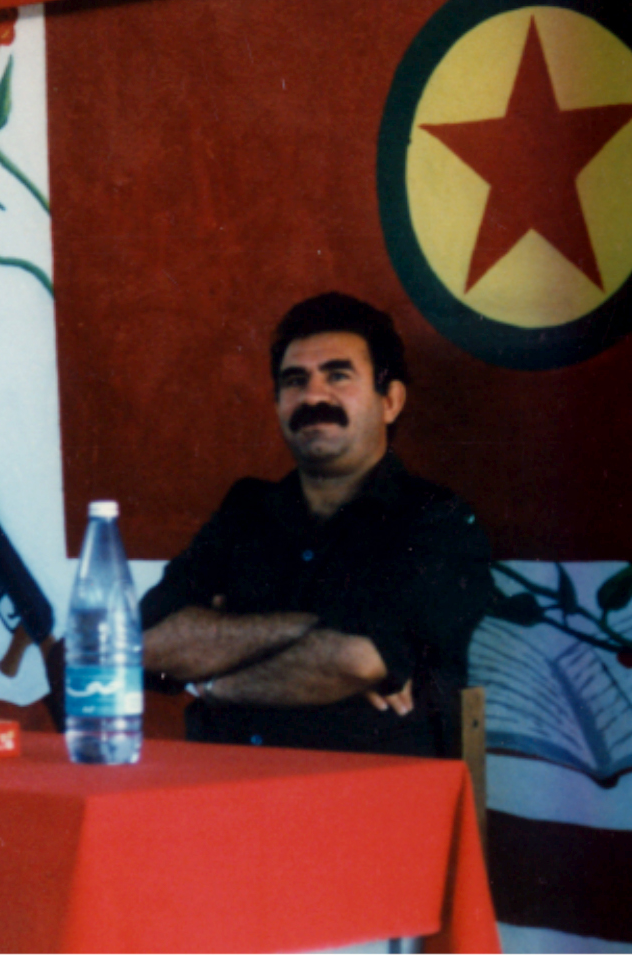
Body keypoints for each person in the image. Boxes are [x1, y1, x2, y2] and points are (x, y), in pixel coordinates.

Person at [141, 292, 495, 757]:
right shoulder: (246, 510)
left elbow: (357, 659)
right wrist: (312, 629)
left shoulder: (434, 520)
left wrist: (216, 682)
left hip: (365, 794)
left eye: (338, 375)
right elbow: (145, 645)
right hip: (222, 785)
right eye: (295, 380)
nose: (312, 396)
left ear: (390, 401)